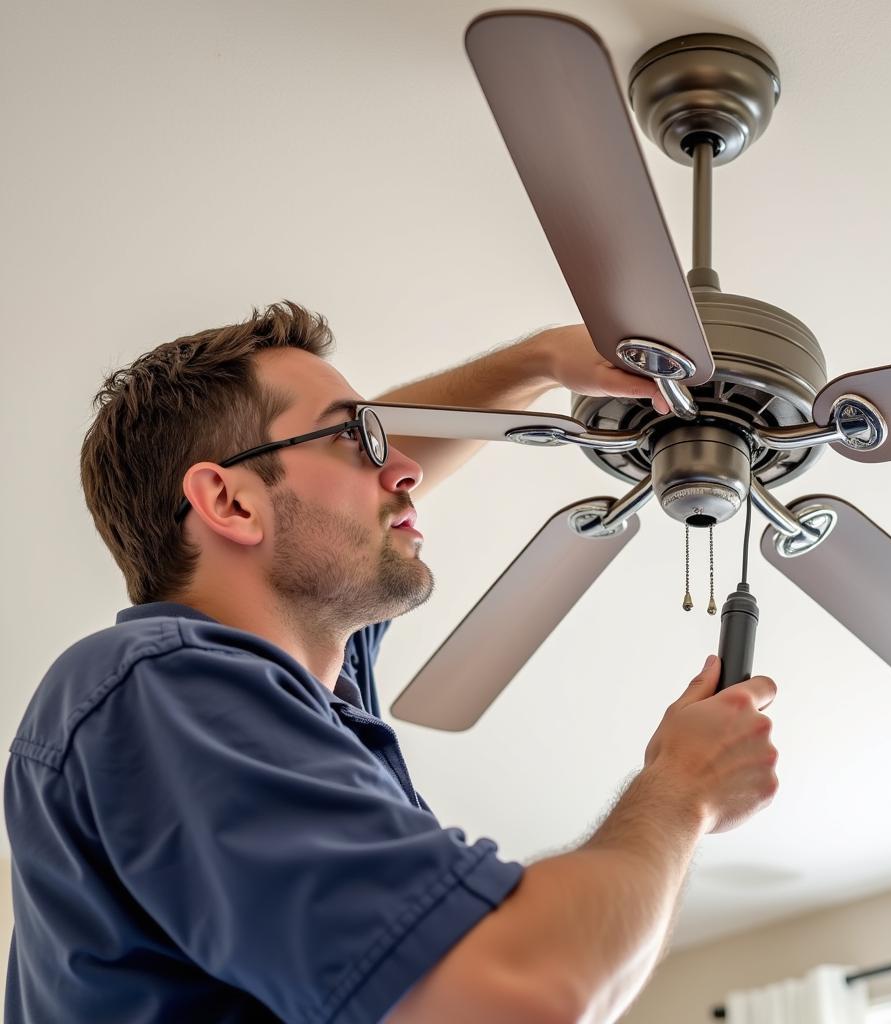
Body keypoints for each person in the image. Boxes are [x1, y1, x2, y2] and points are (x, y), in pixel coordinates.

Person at [4, 301, 779, 1023]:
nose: (403, 468)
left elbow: (362, 504)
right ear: (232, 504)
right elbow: (525, 993)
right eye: (355, 439)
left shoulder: (308, 684)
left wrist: (540, 363)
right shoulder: (166, 685)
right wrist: (682, 793)